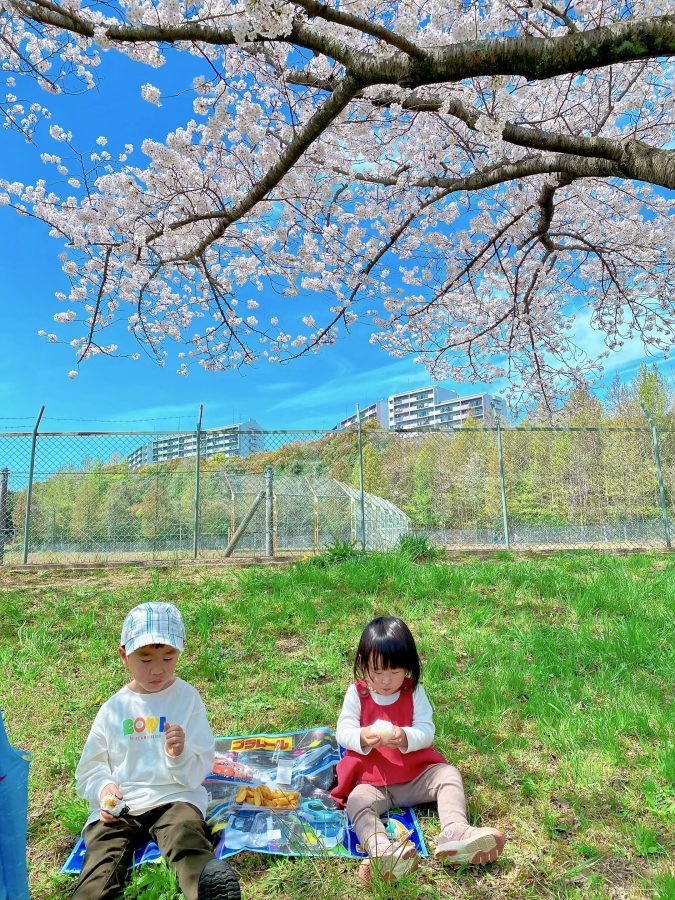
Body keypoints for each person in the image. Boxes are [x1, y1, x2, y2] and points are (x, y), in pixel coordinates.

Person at [73, 601, 240, 900]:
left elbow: (199, 768)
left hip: (174, 797)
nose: (158, 669)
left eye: (168, 657)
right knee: (101, 858)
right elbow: (90, 769)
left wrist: (179, 755)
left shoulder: (187, 699)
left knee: (186, 839)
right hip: (123, 805)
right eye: (146, 659)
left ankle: (207, 887)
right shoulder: (114, 709)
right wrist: (104, 789)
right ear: (124, 656)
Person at [331, 616, 504, 883]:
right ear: (363, 664)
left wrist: (405, 737)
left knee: (448, 775)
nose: (386, 680)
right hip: (374, 782)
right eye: (377, 671)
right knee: (356, 802)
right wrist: (362, 737)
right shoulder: (358, 694)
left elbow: (426, 730)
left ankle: (455, 832)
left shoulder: (413, 693)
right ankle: (382, 851)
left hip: (414, 776)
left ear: (408, 666)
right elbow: (343, 731)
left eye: (395, 672)